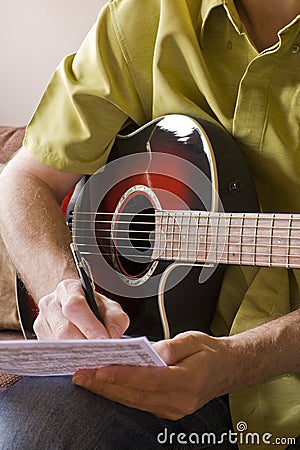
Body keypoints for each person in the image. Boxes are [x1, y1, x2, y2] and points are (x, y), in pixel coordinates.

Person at [0, 0, 299, 448]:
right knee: (32, 435)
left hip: (285, 383)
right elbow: (27, 177)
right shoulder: (144, 14)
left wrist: (237, 361)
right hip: (147, 355)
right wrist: (59, 289)